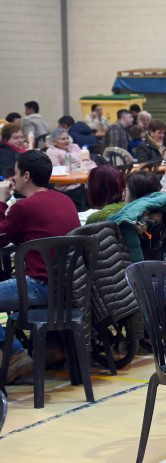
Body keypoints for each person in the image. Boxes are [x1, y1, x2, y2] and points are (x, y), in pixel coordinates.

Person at [0, 150, 81, 384]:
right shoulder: (65, 200)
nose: (12, 179)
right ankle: (52, 348)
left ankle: (15, 355)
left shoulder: (24, 207)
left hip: (40, 286)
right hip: (69, 287)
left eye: (15, 174)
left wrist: (2, 200)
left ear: (25, 176)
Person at [107, 171, 166, 261]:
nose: (125, 193)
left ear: (133, 191)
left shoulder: (136, 216)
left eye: (126, 189)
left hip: (151, 266)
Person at [45, 128, 95, 211]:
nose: (67, 141)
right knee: (93, 196)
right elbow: (56, 172)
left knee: (104, 189)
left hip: (86, 182)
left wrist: (92, 171)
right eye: (63, 139)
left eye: (67, 138)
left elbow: (89, 162)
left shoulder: (74, 146)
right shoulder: (52, 151)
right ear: (54, 141)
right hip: (68, 187)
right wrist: (80, 171)